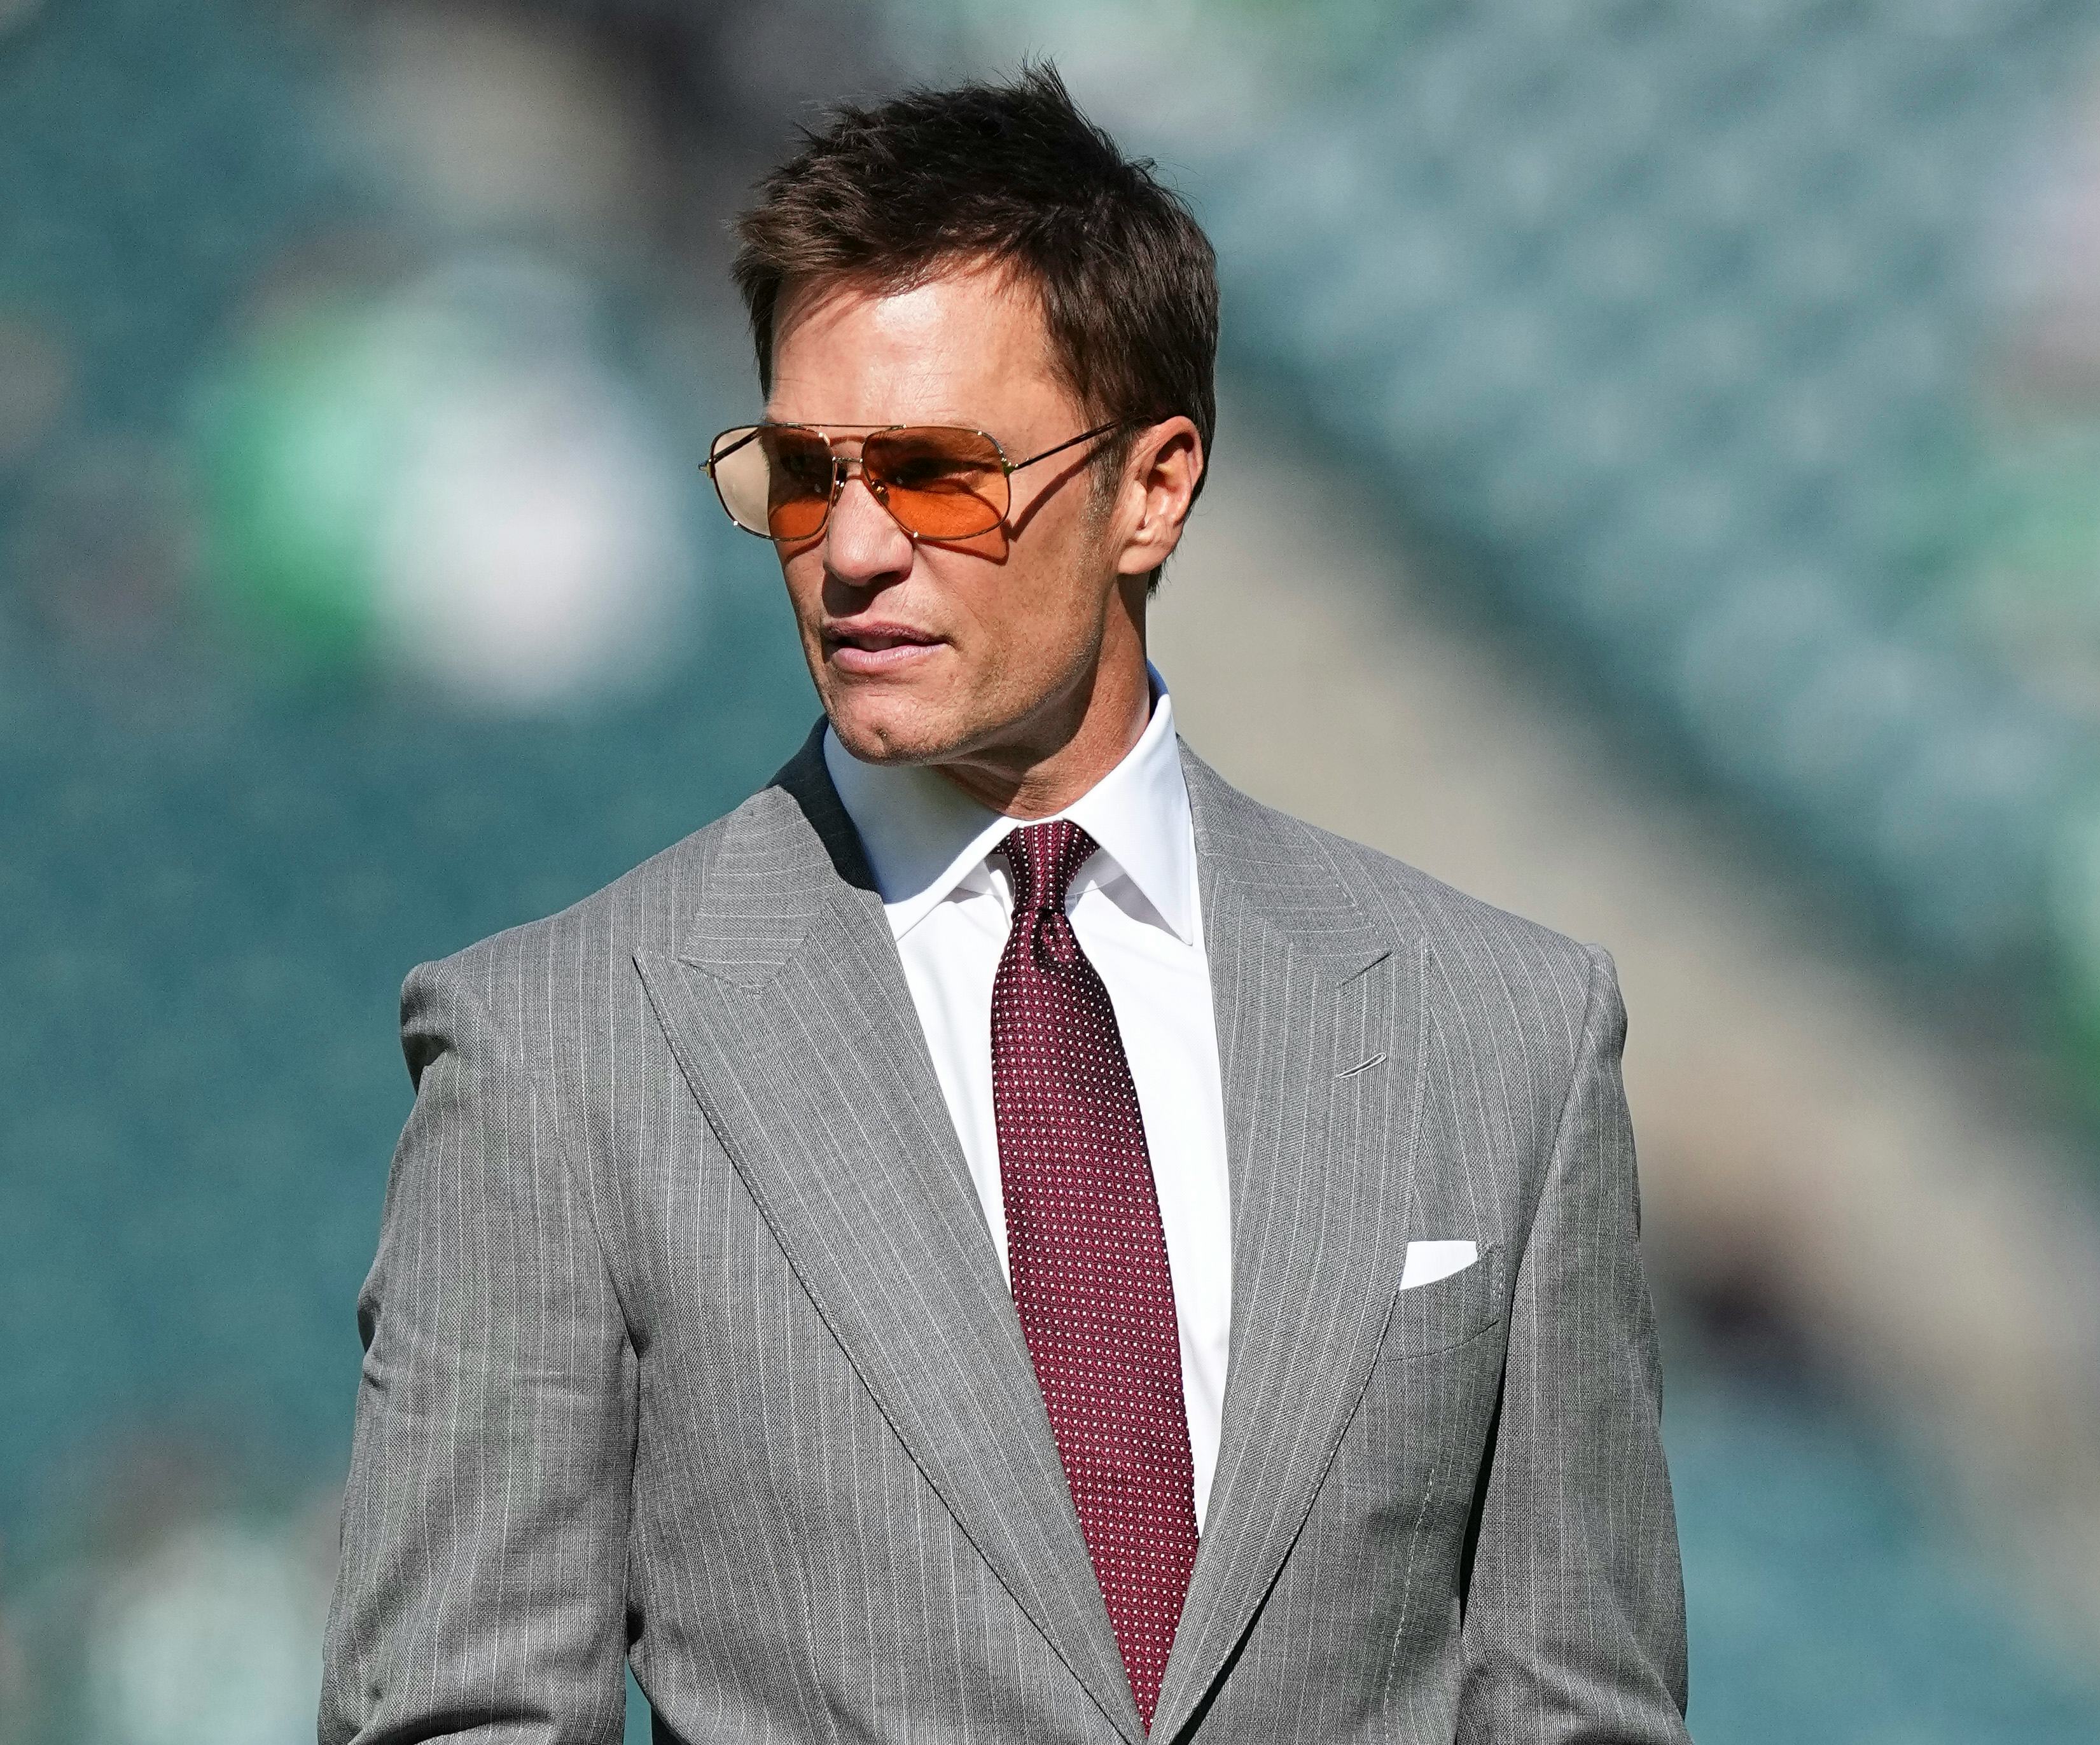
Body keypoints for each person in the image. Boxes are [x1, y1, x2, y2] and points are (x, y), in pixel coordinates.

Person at [317, 66, 1688, 1745]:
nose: (854, 552)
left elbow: (1579, 1708)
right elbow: (457, 1713)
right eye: (803, 477)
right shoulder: (556, 1053)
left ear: (1153, 487)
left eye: (938, 473)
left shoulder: (1502, 1037)